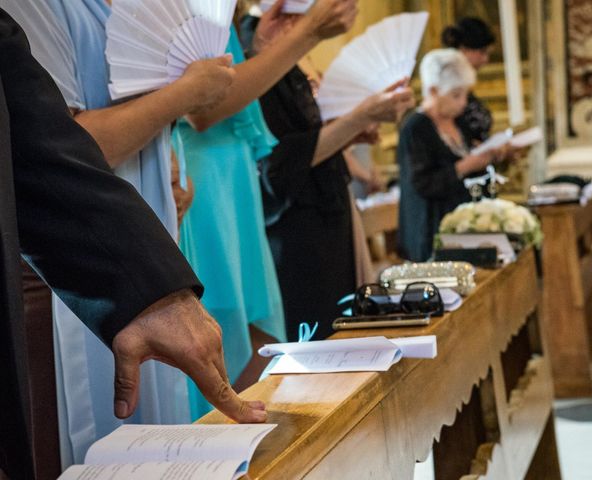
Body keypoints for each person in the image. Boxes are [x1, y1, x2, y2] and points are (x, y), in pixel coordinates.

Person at [0, 9, 265, 480]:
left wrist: (166, 185)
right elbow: (49, 138)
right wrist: (185, 93)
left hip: (136, 233)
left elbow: (33, 135)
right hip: (61, 273)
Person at [173, 0, 358, 416]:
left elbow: (233, 86)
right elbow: (202, 108)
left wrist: (258, 50)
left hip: (234, 175)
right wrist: (305, 34)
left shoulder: (226, 17)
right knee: (224, 333)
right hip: (207, 179)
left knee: (253, 329)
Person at [247, 17, 415, 341]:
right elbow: (278, 165)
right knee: (322, 339)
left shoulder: (296, 50)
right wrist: (359, 117)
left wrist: (350, 133)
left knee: (344, 327)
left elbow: (309, 141)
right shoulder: (254, 46)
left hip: (328, 211)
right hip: (298, 230)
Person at [397, 49, 497, 262]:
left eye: (465, 94)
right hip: (432, 229)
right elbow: (422, 183)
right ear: (433, 91)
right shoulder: (415, 128)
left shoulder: (459, 122)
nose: (463, 103)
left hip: (465, 225)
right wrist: (464, 166)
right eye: (455, 95)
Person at [441, 17, 497, 144]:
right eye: (482, 52)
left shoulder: (465, 87)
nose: (486, 59)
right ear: (463, 49)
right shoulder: (445, 88)